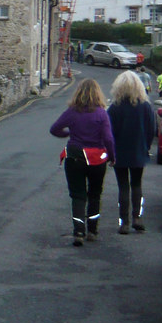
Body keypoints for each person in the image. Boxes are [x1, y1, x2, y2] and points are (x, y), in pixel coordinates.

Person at [50, 79, 116, 246]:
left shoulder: (72, 112)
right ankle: (92, 230)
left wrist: (66, 134)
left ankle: (79, 231)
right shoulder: (102, 113)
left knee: (78, 195)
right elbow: (108, 138)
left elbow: (54, 128)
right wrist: (112, 156)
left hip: (74, 157)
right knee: (95, 194)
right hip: (96, 159)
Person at [108, 71, 157, 234]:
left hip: (119, 152)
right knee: (137, 184)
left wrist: (110, 152)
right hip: (139, 151)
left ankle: (124, 223)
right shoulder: (145, 106)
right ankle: (137, 217)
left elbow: (109, 132)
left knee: (123, 187)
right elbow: (152, 129)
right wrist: (146, 146)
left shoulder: (114, 108)